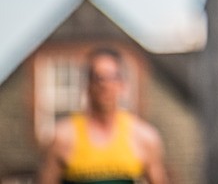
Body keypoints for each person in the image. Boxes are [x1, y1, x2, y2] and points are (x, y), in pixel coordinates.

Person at [38, 47, 169, 184]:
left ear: (122, 84)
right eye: (98, 78)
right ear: (88, 85)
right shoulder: (63, 138)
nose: (105, 85)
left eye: (111, 77)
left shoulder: (144, 137)